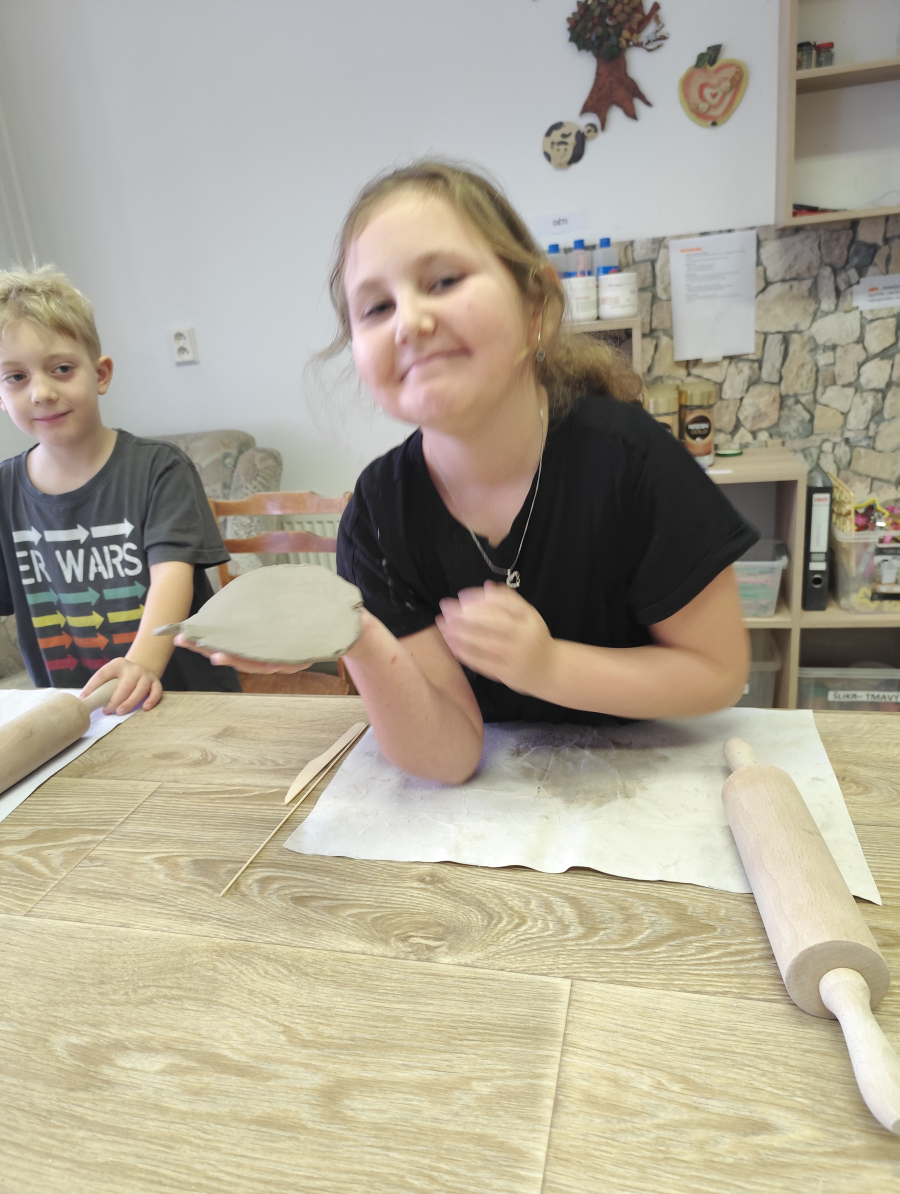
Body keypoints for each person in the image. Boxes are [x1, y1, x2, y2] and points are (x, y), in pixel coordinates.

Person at [183, 161, 756, 783]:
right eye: (376, 307)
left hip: (647, 778)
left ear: (535, 307)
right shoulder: (378, 514)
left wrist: (550, 667)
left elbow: (718, 672)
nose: (409, 321)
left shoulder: (632, 460)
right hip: (491, 806)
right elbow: (449, 756)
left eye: (445, 280)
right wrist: (361, 637)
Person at [0, 265, 241, 713]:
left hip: (187, 703)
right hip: (80, 717)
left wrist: (140, 665)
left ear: (101, 374)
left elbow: (171, 575)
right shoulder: (3, 491)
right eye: (16, 377)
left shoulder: (160, 468)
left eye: (62, 369)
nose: (41, 392)